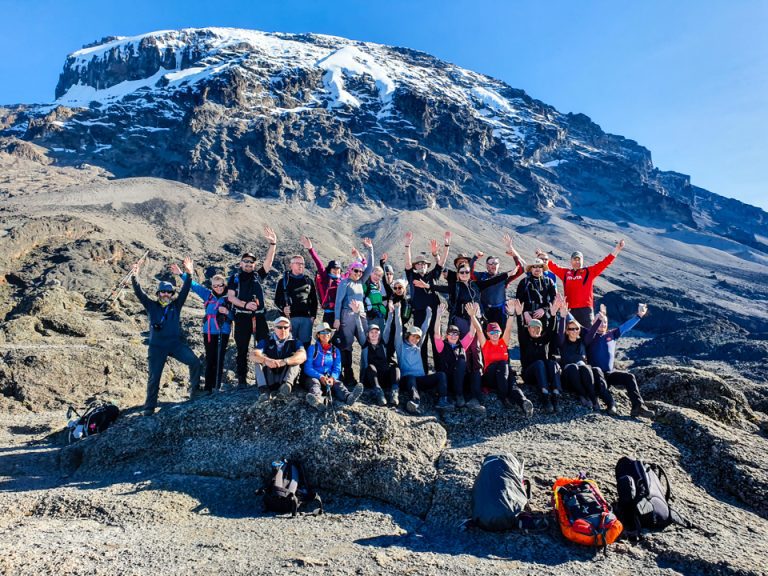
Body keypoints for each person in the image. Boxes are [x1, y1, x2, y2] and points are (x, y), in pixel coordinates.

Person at [131, 256, 201, 416]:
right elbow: (139, 293)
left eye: (169, 292)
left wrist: (189, 273)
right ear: (158, 293)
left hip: (175, 344)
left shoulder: (176, 305)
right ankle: (149, 407)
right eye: (162, 291)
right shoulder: (151, 305)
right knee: (154, 377)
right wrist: (135, 276)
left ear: (171, 294)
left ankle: (195, 392)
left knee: (195, 362)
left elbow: (185, 289)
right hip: (157, 347)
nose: (165, 294)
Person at [227, 226, 277, 388]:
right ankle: (242, 380)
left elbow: (268, 263)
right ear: (241, 263)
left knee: (262, 346)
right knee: (242, 348)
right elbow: (230, 297)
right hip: (242, 317)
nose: (249, 264)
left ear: (255, 265)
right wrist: (245, 305)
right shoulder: (235, 278)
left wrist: (273, 245)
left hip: (259, 316)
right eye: (246, 261)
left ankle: (262, 378)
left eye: (252, 262)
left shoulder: (257, 275)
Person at [585, 303, 655, 418]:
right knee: (597, 372)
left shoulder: (612, 334)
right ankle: (611, 404)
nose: (603, 324)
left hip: (609, 374)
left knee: (629, 377)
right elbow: (573, 324)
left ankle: (638, 407)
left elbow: (625, 327)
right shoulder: (588, 335)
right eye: (600, 321)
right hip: (595, 375)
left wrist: (639, 315)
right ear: (594, 322)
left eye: (605, 322)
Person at [537, 239, 625, 327]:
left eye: (579, 259)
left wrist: (617, 249)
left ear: (582, 261)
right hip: (569, 309)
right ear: (571, 261)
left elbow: (605, 262)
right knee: (569, 334)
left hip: (586, 310)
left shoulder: (589, 272)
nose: (577, 262)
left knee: (588, 335)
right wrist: (541, 256)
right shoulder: (565, 273)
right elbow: (552, 265)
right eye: (575, 259)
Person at [172, 265, 232, 394]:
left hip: (224, 331)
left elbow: (235, 316)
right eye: (215, 286)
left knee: (220, 358)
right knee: (210, 358)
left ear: (224, 284)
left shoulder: (230, 298)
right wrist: (182, 274)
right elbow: (195, 286)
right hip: (209, 332)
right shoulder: (208, 295)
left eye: (220, 285)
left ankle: (217, 386)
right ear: (212, 287)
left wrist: (227, 311)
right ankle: (208, 388)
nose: (218, 288)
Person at [471, 303, 534, 416]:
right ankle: (503, 397)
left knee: (512, 383)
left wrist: (510, 314)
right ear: (488, 334)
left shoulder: (503, 342)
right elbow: (479, 330)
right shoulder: (486, 344)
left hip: (503, 375)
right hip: (490, 377)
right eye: (492, 332)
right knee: (503, 364)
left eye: (497, 332)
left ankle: (523, 401)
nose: (495, 334)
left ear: (500, 332)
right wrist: (472, 316)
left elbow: (508, 328)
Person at [554, 296, 614, 412]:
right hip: (568, 377)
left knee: (585, 367)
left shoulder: (583, 342)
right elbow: (560, 333)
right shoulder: (562, 342)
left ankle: (592, 398)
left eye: (576, 329)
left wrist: (600, 319)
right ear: (567, 331)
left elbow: (592, 332)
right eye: (571, 329)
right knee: (573, 367)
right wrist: (562, 316)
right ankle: (582, 395)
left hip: (583, 375)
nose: (574, 331)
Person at [394, 303, 452, 414]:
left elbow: (424, 329)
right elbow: (398, 328)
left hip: (421, 380)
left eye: (417, 338)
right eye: (413, 336)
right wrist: (397, 311)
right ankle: (414, 401)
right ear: (408, 335)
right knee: (411, 377)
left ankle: (442, 400)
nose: (415, 339)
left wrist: (429, 314)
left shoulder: (418, 347)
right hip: (407, 380)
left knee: (441, 375)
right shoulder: (400, 346)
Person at [405, 231, 451, 370]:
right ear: (415, 266)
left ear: (427, 265)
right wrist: (407, 246)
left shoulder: (433, 276)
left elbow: (441, 262)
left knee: (437, 341)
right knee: (421, 343)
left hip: (435, 314)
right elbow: (407, 263)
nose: (421, 266)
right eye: (418, 264)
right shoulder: (412, 276)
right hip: (419, 314)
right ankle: (423, 372)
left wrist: (447, 244)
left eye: (423, 264)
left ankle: (440, 371)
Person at [334, 238, 375, 384]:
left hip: (361, 316)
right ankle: (348, 374)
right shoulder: (344, 283)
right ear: (350, 270)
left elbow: (370, 268)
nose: (359, 273)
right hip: (347, 316)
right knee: (346, 345)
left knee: (365, 343)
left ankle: (366, 374)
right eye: (356, 270)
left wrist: (370, 249)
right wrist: (337, 319)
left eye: (360, 271)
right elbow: (338, 301)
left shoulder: (360, 282)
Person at [511, 298, 562, 413]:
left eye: (538, 328)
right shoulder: (525, 340)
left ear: (541, 329)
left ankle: (555, 394)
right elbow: (520, 328)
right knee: (539, 363)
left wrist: (553, 314)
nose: (535, 330)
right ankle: (545, 397)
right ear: (528, 329)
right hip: (529, 375)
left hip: (543, 373)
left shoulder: (544, 340)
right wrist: (519, 314)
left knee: (552, 363)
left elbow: (551, 330)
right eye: (532, 327)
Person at [434, 302, 485, 415]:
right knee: (461, 362)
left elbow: (472, 331)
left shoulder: (462, 345)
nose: (453, 336)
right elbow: (436, 333)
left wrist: (473, 315)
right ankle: (457, 395)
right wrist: (438, 316)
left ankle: (470, 398)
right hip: (448, 380)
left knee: (470, 368)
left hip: (461, 379)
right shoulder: (441, 345)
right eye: (451, 333)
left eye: (456, 334)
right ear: (447, 335)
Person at [303, 323, 364, 410]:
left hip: (329, 379)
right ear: (318, 335)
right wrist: (320, 376)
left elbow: (337, 368)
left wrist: (332, 378)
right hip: (315, 377)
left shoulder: (335, 350)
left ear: (330, 335)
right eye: (322, 332)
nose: (325, 335)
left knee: (338, 384)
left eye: (328, 332)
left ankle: (349, 397)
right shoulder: (313, 348)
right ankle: (317, 400)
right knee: (314, 383)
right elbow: (307, 368)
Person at [471, 233, 526, 328]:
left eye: (495, 263)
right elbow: (469, 272)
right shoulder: (481, 276)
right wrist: (475, 258)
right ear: (487, 265)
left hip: (500, 311)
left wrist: (513, 254)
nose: (493, 265)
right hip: (485, 309)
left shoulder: (504, 276)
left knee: (501, 335)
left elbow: (520, 269)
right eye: (491, 263)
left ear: (499, 265)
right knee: (484, 335)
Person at [352, 301, 397, 406]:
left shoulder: (383, 342)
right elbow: (359, 327)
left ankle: (395, 392)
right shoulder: (365, 344)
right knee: (371, 367)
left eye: (376, 332)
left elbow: (388, 327)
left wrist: (390, 314)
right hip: (370, 378)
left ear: (379, 334)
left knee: (395, 367)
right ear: (367, 334)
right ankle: (378, 393)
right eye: (371, 332)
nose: (374, 334)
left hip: (384, 377)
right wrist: (356, 314)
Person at [251, 316, 307, 401]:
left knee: (296, 360)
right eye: (279, 327)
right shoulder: (266, 341)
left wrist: (285, 361)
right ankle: (264, 391)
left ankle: (286, 388)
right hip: (270, 376)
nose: (283, 330)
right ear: (274, 328)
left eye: (285, 327)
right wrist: (266, 360)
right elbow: (253, 355)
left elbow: (303, 356)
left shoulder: (295, 342)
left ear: (290, 328)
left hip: (285, 376)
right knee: (258, 361)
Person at [274, 253, 318, 349]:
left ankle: (303, 364)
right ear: (291, 265)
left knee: (305, 346)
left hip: (306, 319)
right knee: (289, 345)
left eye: (302, 263)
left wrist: (313, 316)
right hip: (289, 319)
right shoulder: (284, 281)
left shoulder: (308, 281)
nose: (300, 265)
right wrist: (283, 309)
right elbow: (277, 300)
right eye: (297, 263)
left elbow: (314, 300)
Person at [300, 235, 347, 326]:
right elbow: (319, 264)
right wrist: (311, 249)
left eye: (338, 269)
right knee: (327, 336)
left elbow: (355, 272)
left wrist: (361, 259)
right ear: (329, 269)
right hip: (329, 313)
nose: (336, 270)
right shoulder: (326, 278)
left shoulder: (343, 279)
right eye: (334, 268)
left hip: (341, 313)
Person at [515, 258, 557, 327]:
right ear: (531, 268)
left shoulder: (549, 282)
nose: (537, 269)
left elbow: (554, 299)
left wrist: (544, 309)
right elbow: (518, 300)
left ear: (543, 268)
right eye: (534, 266)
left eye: (540, 266)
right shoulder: (524, 282)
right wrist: (525, 313)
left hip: (544, 316)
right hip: (528, 317)